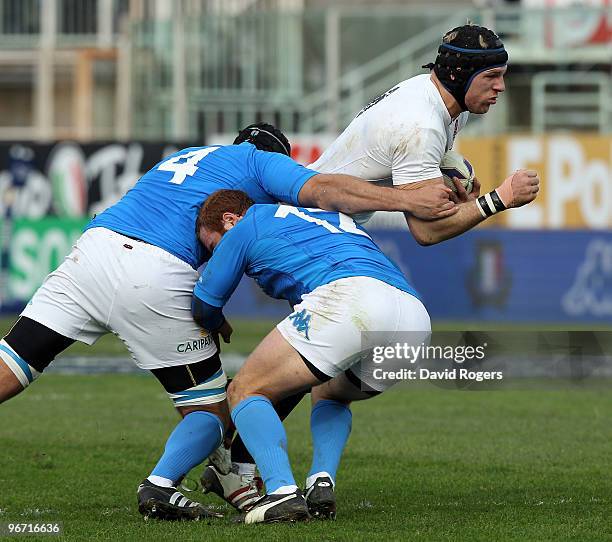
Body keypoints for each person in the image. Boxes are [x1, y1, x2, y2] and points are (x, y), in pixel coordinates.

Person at [0, 123, 456, 521]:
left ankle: (234, 481)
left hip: (94, 248)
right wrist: (405, 197)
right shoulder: (261, 167)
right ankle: (220, 485)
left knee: (16, 359)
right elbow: (321, 190)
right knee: (216, 407)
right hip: (164, 269)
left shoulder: (186, 158)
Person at [203, 23, 541, 508]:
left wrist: (453, 169)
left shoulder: (437, 102)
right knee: (287, 378)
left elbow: (419, 164)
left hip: (331, 232)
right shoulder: (421, 125)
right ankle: (243, 468)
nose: (501, 87)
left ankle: (246, 464)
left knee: (308, 372)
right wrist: (497, 200)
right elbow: (426, 232)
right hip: (317, 232)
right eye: (492, 77)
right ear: (461, 73)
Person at [192, 177, 538, 523]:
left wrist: (217, 321)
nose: (215, 254)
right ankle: (320, 480)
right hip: (412, 317)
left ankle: (280, 493)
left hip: (350, 299)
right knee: (328, 392)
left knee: (245, 389)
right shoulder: (323, 216)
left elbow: (204, 306)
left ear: (229, 220)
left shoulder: (245, 225)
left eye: (213, 246)